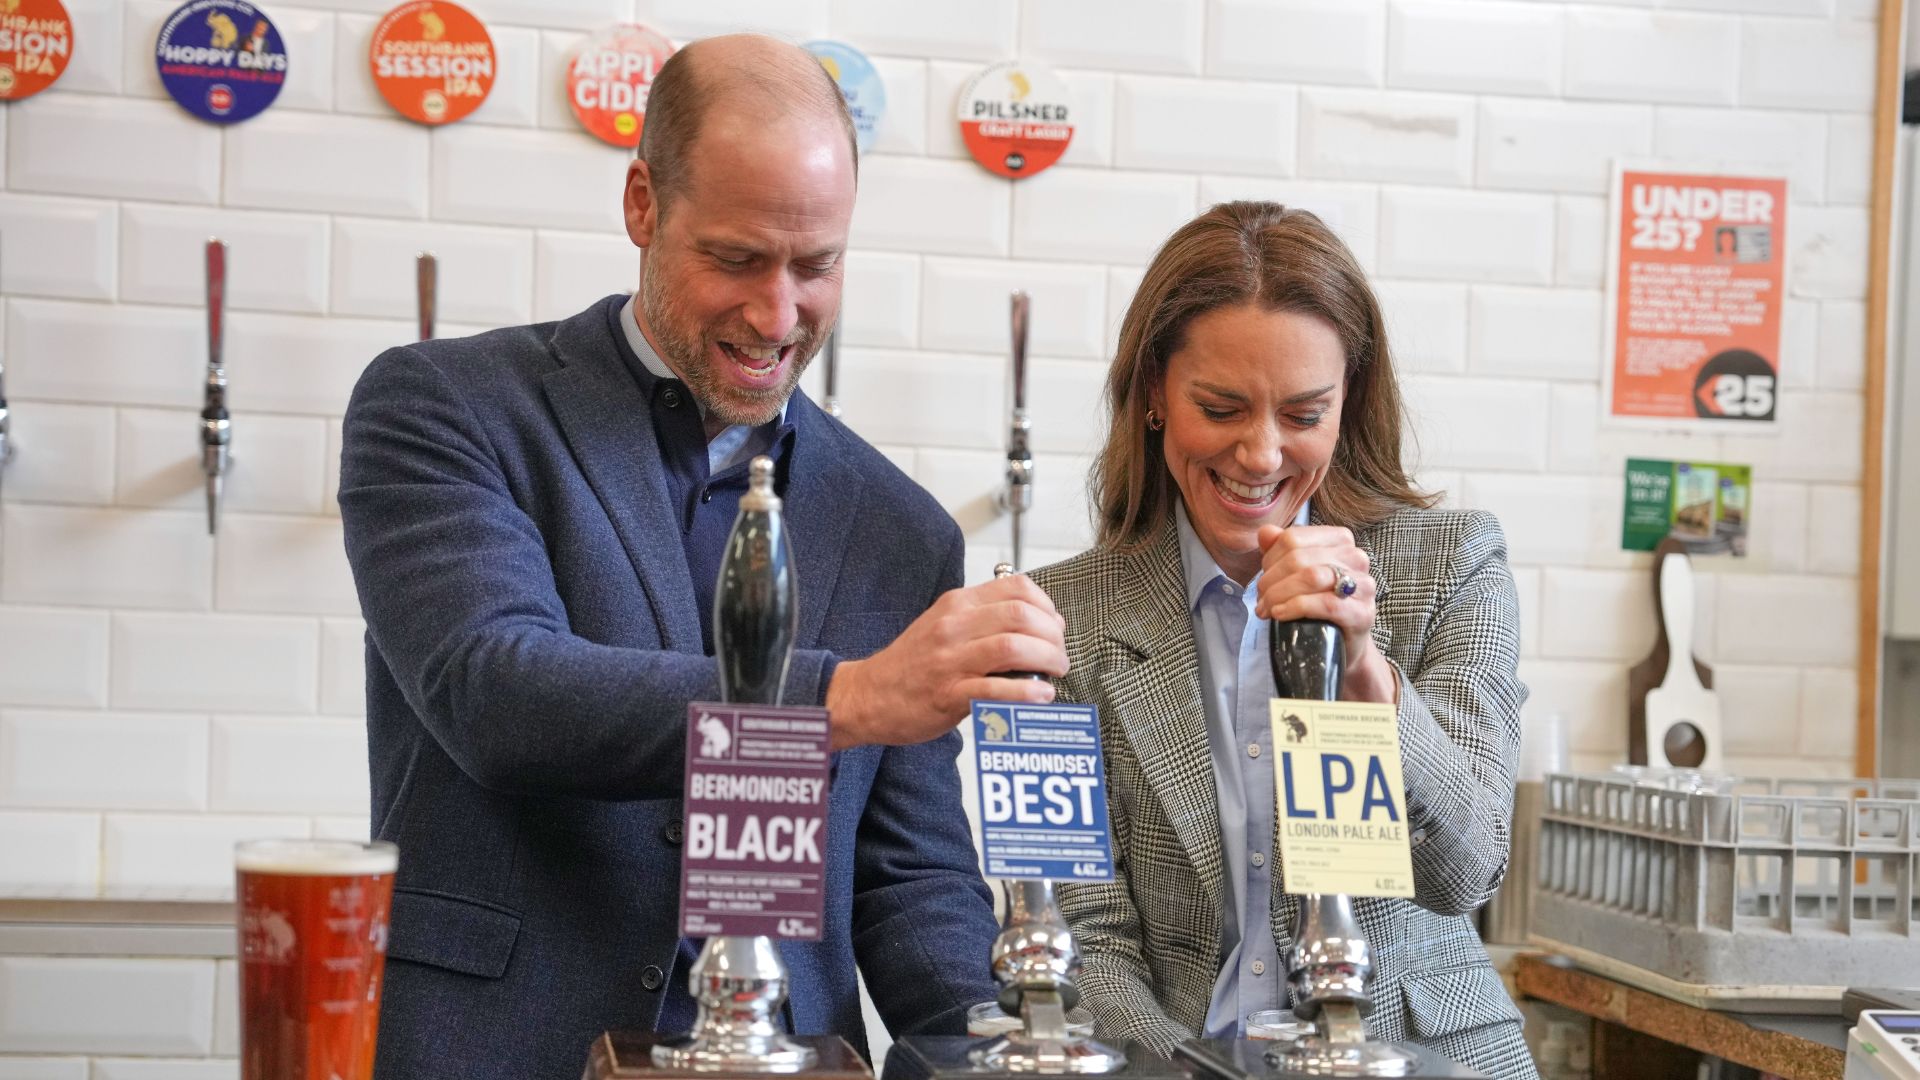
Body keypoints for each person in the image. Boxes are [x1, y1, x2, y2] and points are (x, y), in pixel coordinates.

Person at [338, 35, 1069, 1080]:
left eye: (815, 267)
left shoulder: (902, 528)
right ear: (642, 205)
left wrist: (993, 1050)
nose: (776, 315)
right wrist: (847, 699)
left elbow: (908, 884)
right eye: (735, 258)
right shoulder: (447, 410)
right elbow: (496, 694)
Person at [1031, 202, 1536, 1078]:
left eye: (1304, 415)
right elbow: (1092, 941)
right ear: (1153, 394)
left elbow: (1469, 871)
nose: (1261, 456)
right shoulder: (1065, 616)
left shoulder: (1450, 566)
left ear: (1349, 404)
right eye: (1221, 407)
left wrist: (1370, 680)